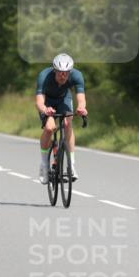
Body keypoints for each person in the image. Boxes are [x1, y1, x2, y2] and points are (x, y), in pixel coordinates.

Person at [35, 52, 88, 184]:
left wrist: (81, 108)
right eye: (59, 72)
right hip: (47, 101)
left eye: (66, 73)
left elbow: (81, 98)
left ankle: (71, 165)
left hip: (64, 99)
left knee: (68, 123)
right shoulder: (44, 76)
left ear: (70, 71)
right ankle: (44, 164)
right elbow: (39, 102)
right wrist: (45, 110)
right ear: (54, 70)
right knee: (49, 128)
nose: (63, 76)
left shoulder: (77, 76)